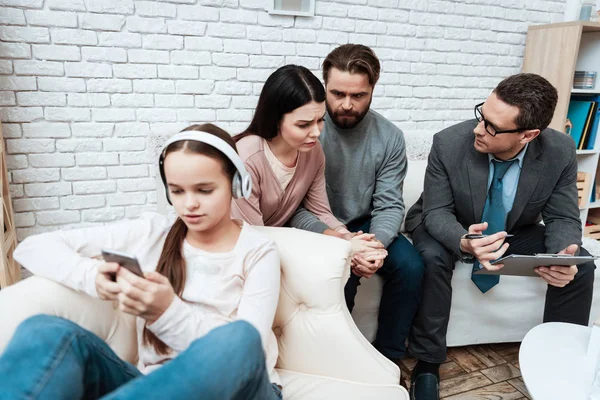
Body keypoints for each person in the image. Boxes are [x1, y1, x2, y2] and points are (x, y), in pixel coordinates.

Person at [0, 124, 283, 400]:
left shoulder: (258, 251)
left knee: (239, 339)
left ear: (235, 184)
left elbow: (250, 352)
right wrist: (92, 276)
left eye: (204, 190)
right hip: (150, 385)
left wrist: (167, 312)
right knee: (43, 331)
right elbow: (33, 248)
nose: (189, 205)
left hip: (240, 390)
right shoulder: (154, 232)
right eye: (177, 191)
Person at [404, 73, 596, 400]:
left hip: (511, 230)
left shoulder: (559, 150)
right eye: (482, 115)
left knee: (581, 265)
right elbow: (436, 213)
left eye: (492, 126)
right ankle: (427, 362)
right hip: (448, 223)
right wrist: (465, 241)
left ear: (529, 135)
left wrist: (563, 255)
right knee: (433, 258)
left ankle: (561, 361)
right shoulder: (449, 143)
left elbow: (563, 216)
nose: (478, 128)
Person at [289, 44, 425, 366]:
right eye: (337, 93)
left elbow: (390, 204)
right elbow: (293, 207)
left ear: (373, 89)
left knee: (411, 268)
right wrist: (343, 243)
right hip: (318, 228)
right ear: (324, 87)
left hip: (366, 226)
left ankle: (387, 360)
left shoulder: (390, 136)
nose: (346, 105)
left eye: (358, 96)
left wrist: (373, 246)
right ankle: (335, 361)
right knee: (341, 273)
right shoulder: (307, 131)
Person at [232, 64, 386, 259]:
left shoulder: (313, 152)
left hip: (270, 249)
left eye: (320, 120)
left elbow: (321, 212)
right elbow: (251, 235)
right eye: (303, 124)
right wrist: (345, 245)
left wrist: (351, 239)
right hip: (238, 255)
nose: (316, 132)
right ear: (275, 119)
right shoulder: (246, 157)